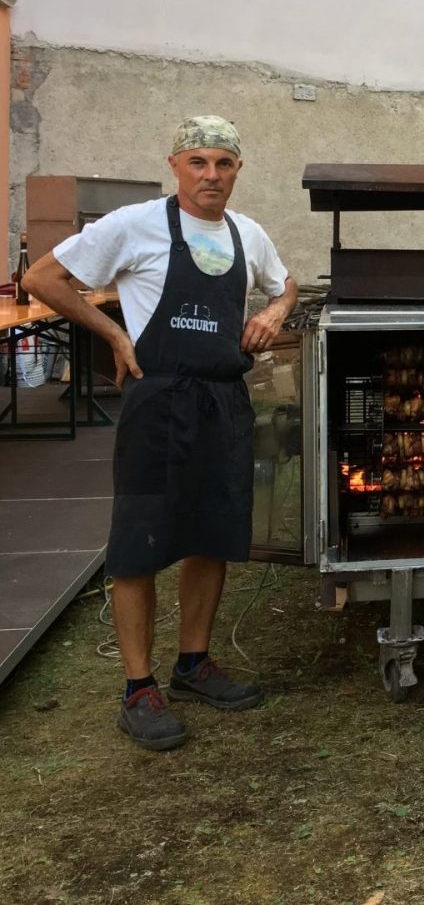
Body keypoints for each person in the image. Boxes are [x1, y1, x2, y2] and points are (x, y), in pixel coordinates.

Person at [22, 115, 298, 749]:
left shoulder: (246, 233)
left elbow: (285, 285)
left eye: (223, 164)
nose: (211, 175)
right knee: (139, 543)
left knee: (214, 533)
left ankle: (193, 665)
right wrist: (117, 336)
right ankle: (138, 688)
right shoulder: (135, 224)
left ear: (237, 171)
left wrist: (275, 310)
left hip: (225, 401)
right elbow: (42, 279)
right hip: (159, 400)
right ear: (175, 165)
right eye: (198, 162)